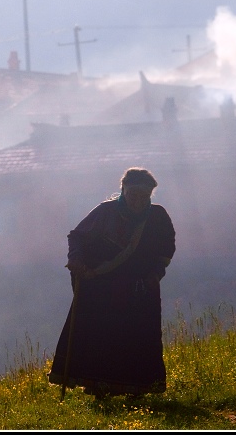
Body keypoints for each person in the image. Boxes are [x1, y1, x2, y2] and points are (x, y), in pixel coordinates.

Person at [48, 167, 176, 398]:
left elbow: (166, 250)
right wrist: (76, 260)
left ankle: (138, 388)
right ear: (123, 190)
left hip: (139, 289)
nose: (137, 201)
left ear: (150, 196)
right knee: (101, 337)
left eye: (143, 196)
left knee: (136, 338)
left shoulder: (157, 217)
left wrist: (155, 274)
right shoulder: (105, 212)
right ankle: (99, 387)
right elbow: (77, 236)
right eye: (132, 195)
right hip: (103, 287)